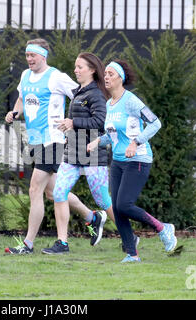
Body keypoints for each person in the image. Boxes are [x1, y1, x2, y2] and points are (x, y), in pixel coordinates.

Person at [4, 39, 106, 255]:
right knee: (54, 193)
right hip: (35, 140)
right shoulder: (25, 75)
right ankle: (92, 217)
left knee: (35, 189)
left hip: (54, 141)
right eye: (27, 55)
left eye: (33, 55)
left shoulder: (57, 77)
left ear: (44, 56)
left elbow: (81, 95)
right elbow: (22, 99)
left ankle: (28, 244)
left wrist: (73, 124)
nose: (29, 59)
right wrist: (15, 112)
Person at [87, 60, 177, 263]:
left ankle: (163, 228)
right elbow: (113, 135)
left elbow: (155, 123)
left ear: (121, 78)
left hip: (138, 159)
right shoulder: (109, 104)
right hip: (118, 162)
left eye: (110, 74)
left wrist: (136, 142)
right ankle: (132, 254)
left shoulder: (131, 101)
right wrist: (98, 142)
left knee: (125, 205)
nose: (106, 77)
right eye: (105, 74)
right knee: (117, 209)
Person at [41, 52, 115, 255]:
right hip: (71, 154)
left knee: (102, 200)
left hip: (93, 156)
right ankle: (62, 243)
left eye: (80, 67)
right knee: (58, 193)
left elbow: (101, 122)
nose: (76, 70)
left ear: (92, 70)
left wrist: (73, 123)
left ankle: (128, 236)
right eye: (75, 67)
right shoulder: (77, 92)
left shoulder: (97, 94)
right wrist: (68, 129)